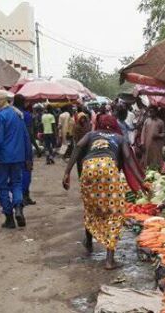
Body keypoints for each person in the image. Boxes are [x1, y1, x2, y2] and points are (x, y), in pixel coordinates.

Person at [63, 115, 148, 270]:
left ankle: (89, 242)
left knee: (91, 208)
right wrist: (141, 182)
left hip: (89, 167)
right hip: (108, 168)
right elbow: (128, 158)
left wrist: (67, 172)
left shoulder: (91, 134)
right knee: (114, 213)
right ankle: (109, 260)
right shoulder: (119, 138)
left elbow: (78, 146)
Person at [0, 93, 31, 229]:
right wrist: (28, 157)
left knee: (1, 186)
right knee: (16, 183)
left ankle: (9, 217)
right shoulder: (18, 114)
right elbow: (26, 137)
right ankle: (18, 207)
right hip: (18, 156)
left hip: (2, 157)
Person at [14, 95, 36, 206]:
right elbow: (29, 134)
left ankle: (18, 197)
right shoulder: (26, 115)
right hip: (25, 147)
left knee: (15, 174)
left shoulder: (10, 114)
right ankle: (25, 196)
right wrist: (36, 146)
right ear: (23, 103)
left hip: (13, 148)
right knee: (27, 171)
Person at [139, 106, 165, 170]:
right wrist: (142, 142)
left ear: (156, 112)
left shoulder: (160, 122)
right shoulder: (146, 121)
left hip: (156, 145)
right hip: (147, 144)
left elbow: (164, 133)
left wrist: (158, 135)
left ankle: (156, 170)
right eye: (150, 111)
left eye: (152, 111)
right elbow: (143, 133)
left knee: (156, 160)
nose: (151, 112)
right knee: (147, 160)